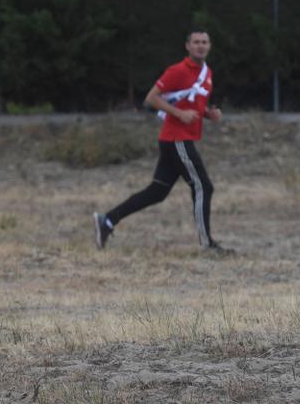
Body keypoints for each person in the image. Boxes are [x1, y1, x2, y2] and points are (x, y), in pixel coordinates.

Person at [92, 30, 227, 253]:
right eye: (196, 42)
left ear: (209, 46)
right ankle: (207, 245)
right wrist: (179, 114)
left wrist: (208, 114)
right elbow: (151, 98)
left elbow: (194, 103)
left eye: (204, 42)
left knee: (157, 192)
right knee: (203, 186)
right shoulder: (177, 71)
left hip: (178, 140)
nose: (200, 46)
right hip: (177, 139)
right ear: (187, 46)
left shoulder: (207, 72)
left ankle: (106, 220)